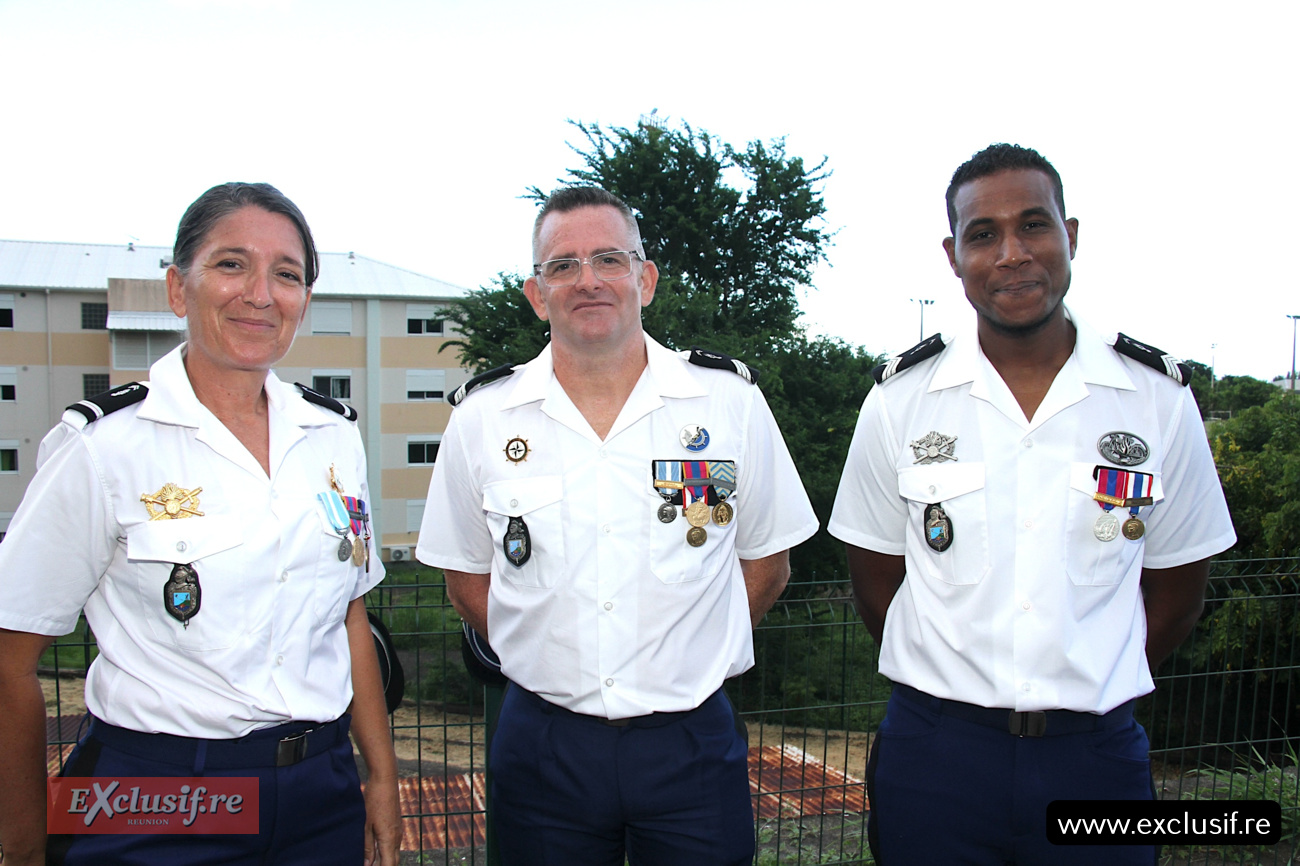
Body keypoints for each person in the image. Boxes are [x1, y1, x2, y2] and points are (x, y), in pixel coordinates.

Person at [828, 144, 1236, 865]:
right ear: (954, 257)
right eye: (983, 234)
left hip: (1096, 761)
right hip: (936, 761)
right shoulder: (899, 401)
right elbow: (875, 582)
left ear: (1070, 236)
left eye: (1034, 226)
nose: (1012, 253)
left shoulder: (1156, 398)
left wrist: (1087, 673)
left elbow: (1178, 589)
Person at [0, 183, 401, 866]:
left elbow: (349, 615)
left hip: (319, 791)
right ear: (178, 288)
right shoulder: (103, 448)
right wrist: (20, 849)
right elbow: (10, 659)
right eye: (231, 264)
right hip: (157, 795)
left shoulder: (332, 438)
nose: (260, 294)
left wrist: (382, 776)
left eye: (288, 274)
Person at [417, 186, 818, 865]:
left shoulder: (729, 404)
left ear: (645, 278)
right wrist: (554, 654)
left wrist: (683, 650)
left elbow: (767, 566)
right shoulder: (482, 420)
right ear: (537, 294)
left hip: (689, 741)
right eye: (563, 265)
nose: (589, 279)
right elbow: (465, 581)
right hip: (543, 744)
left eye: (609, 257)